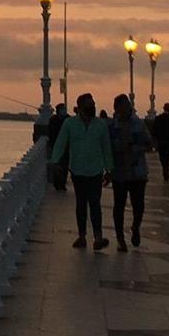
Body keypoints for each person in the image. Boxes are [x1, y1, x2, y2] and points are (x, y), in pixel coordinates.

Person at [51, 91, 113, 251]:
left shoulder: (100, 125)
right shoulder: (70, 124)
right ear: (80, 108)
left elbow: (106, 148)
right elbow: (60, 143)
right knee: (81, 204)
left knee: (95, 203)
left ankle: (98, 237)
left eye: (93, 104)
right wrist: (55, 162)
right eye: (88, 105)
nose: (92, 107)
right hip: (77, 170)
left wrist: (109, 169)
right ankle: (82, 236)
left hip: (96, 170)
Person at [108, 92, 151, 250]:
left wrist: (134, 147)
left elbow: (148, 144)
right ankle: (120, 238)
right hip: (119, 172)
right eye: (123, 106)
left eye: (128, 105)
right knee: (119, 205)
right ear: (117, 108)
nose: (127, 108)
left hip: (138, 171)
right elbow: (108, 148)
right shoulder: (112, 126)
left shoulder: (138, 124)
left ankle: (135, 227)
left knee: (138, 204)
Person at [45, 102, 69, 190]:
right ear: (58, 110)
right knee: (57, 165)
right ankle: (57, 183)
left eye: (64, 109)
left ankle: (63, 183)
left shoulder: (68, 119)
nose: (64, 111)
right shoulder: (53, 119)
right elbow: (50, 133)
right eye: (62, 109)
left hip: (66, 147)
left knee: (65, 166)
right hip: (55, 146)